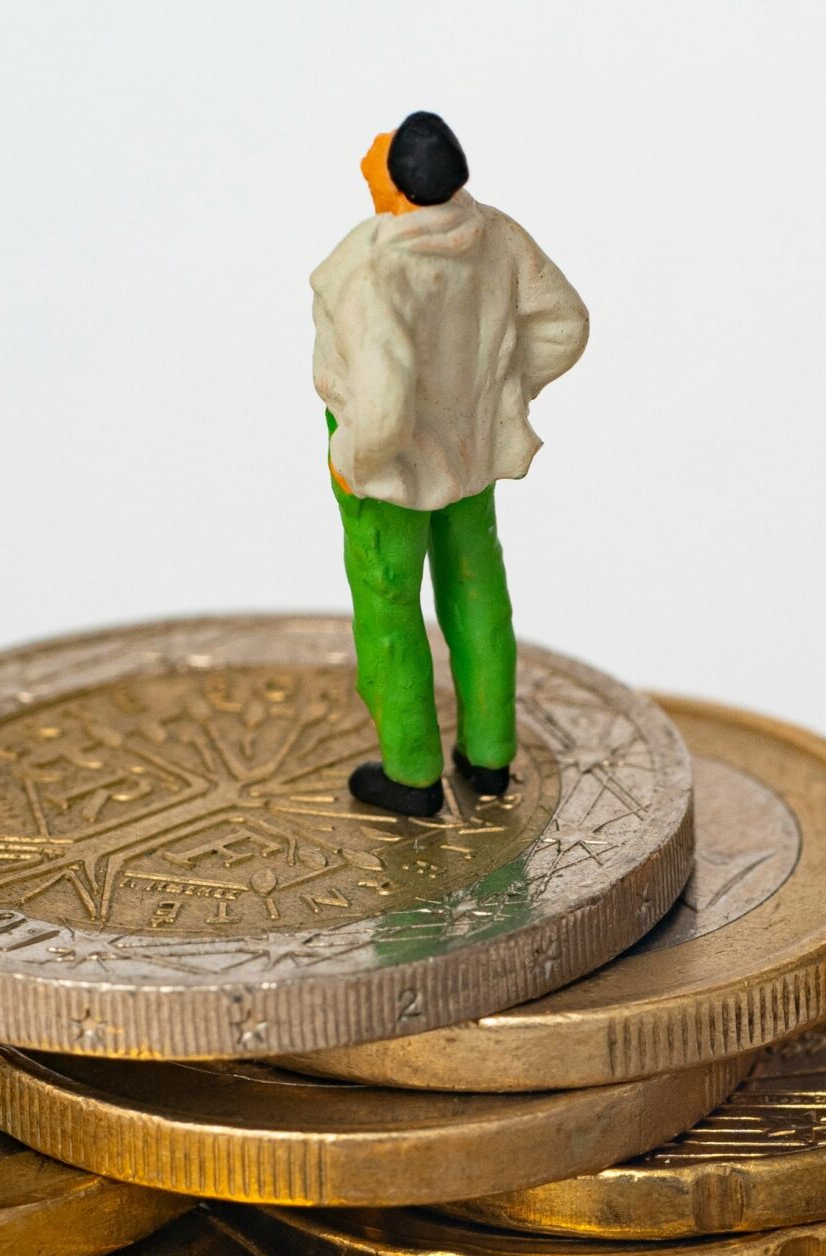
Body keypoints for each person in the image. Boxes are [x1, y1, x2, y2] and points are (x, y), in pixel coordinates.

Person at [311, 112, 590, 817]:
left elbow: (379, 403)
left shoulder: (372, 264)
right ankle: (490, 756)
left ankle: (410, 771)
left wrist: (353, 455)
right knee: (476, 589)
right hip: (471, 450)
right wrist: (503, 391)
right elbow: (566, 321)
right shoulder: (496, 235)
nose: (371, 159)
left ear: (399, 185)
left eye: (381, 158)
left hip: (389, 470)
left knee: (390, 608)